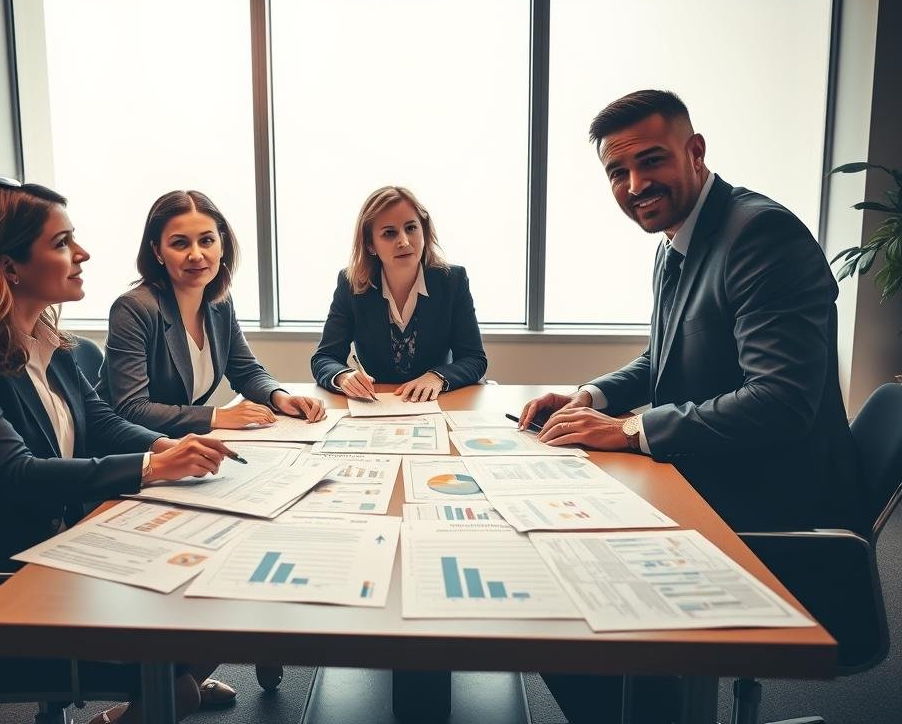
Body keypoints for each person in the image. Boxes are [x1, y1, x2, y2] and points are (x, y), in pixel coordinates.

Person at [520, 90, 863, 724]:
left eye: (651, 161)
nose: (635, 184)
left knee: (566, 574)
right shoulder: (678, 240)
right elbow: (662, 359)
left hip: (775, 502)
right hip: (714, 472)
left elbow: (781, 401)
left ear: (695, 152)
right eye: (617, 173)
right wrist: (587, 397)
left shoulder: (760, 234)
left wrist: (627, 429)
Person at [0, 177, 232, 724]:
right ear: (7, 266)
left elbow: (100, 423)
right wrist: (152, 466)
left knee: (218, 584)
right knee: (183, 683)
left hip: (64, 536)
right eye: (61, 243)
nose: (82, 254)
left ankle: (156, 688)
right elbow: (14, 472)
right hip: (0, 572)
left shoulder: (48, 341)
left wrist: (169, 444)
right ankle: (154, 693)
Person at [101, 189, 325, 436]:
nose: (196, 255)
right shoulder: (134, 309)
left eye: (206, 240)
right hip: (131, 451)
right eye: (180, 243)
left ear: (222, 244)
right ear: (157, 252)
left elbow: (245, 371)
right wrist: (218, 416)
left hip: (182, 445)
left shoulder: (220, 302)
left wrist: (279, 396)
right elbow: (132, 408)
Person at [311, 185, 487, 401]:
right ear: (370, 245)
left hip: (439, 402)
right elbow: (324, 357)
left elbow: (474, 358)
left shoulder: (452, 280)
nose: (403, 241)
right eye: (389, 233)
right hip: (379, 405)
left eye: (411, 228)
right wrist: (343, 376)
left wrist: (437, 377)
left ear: (424, 231)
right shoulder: (351, 284)